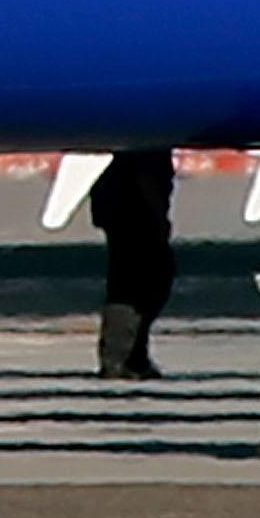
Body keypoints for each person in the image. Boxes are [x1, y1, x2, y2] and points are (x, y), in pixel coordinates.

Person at [89, 147, 177, 380]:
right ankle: (119, 359)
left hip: (128, 202)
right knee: (135, 280)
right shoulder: (139, 137)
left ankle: (130, 355)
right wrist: (155, 214)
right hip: (131, 204)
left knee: (136, 278)